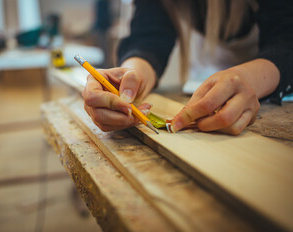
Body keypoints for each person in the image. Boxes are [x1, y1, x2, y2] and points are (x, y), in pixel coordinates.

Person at [83, 0, 293, 135]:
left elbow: (287, 38)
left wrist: (248, 79)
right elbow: (148, 37)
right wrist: (131, 75)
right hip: (203, 89)